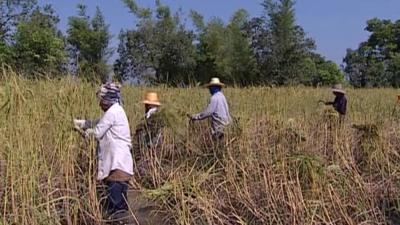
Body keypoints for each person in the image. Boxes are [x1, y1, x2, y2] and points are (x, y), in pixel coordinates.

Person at [73, 82, 133, 216]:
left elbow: (97, 133)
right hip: (121, 165)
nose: (99, 103)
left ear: (107, 100)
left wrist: (82, 131)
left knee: (116, 208)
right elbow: (99, 122)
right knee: (121, 205)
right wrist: (82, 123)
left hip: (117, 165)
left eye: (101, 100)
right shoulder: (115, 110)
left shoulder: (113, 112)